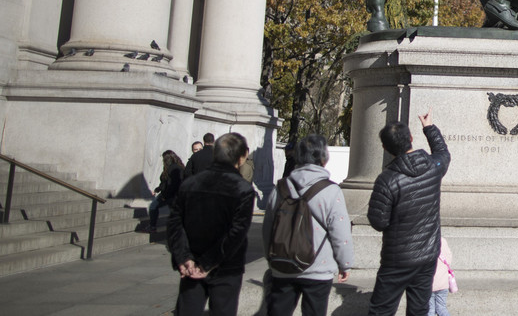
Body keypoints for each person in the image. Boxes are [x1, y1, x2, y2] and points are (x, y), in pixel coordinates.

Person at [366, 110, 450, 316]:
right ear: (411, 138)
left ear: (385, 147)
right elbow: (443, 152)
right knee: (419, 309)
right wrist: (429, 126)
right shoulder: (433, 167)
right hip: (427, 254)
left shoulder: (387, 179)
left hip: (397, 258)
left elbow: (379, 221)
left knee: (381, 310)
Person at [262, 134, 354, 316]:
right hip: (318, 267)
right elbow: (340, 232)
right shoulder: (331, 190)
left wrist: (271, 257)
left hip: (282, 265)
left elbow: (268, 228)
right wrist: (345, 263)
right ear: (323, 158)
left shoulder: (280, 188)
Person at [167, 133, 255, 316]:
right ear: (243, 156)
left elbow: (175, 224)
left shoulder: (190, 183)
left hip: (191, 264)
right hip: (225, 268)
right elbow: (236, 233)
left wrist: (183, 257)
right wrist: (206, 264)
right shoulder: (243, 189)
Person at [148, 150, 185, 232]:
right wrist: (157, 189)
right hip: (175, 195)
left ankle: (152, 226)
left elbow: (170, 184)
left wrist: (165, 196)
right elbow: (165, 183)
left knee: (153, 206)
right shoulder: (179, 167)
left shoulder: (172, 168)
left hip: (170, 195)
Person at [428, 236, 454, 316]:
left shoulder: (427, 240)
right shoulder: (443, 240)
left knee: (430, 309)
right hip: (443, 284)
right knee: (442, 308)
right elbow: (449, 259)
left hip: (430, 284)